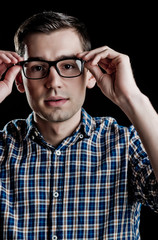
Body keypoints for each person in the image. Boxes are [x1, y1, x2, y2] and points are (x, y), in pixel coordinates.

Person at [0, 11, 157, 240]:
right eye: (37, 67)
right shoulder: (3, 148)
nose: (54, 82)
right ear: (19, 80)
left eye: (69, 66)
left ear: (91, 74)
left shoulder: (125, 145)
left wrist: (132, 99)